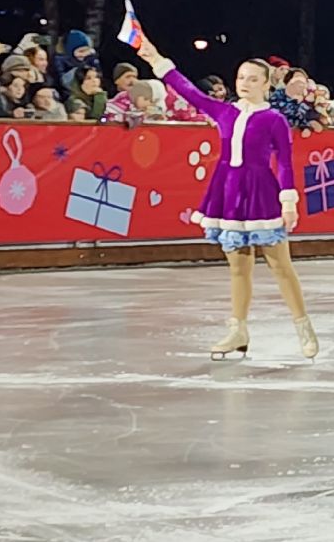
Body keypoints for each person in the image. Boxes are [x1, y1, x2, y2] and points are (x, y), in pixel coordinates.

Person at [131, 35, 318, 361]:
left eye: (253, 79)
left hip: (261, 192)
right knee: (238, 268)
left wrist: (289, 201)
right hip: (228, 192)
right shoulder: (224, 111)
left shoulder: (274, 119)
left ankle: (304, 328)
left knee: (280, 266)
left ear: (266, 85)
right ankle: (238, 330)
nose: (245, 83)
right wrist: (155, 58)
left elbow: (285, 162)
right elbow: (186, 90)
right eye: (241, 77)